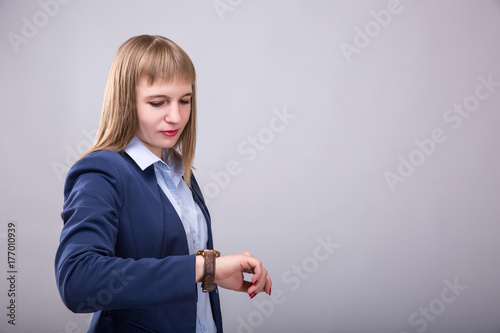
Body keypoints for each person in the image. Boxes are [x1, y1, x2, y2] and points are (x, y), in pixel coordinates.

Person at [54, 34, 272, 333]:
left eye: (185, 100)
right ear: (126, 101)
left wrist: (213, 276)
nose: (176, 116)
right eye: (158, 102)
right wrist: (204, 266)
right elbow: (78, 282)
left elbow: (166, 262)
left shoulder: (179, 169)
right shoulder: (101, 171)